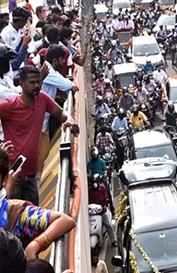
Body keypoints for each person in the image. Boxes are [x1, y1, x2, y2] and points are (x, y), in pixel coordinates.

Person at [0, 65, 77, 204]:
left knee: (33, 217)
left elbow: (60, 113)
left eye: (38, 82)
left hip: (31, 174)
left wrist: (69, 120)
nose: (36, 85)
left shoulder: (42, 99)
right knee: (12, 219)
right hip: (13, 175)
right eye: (32, 82)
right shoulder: (9, 106)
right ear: (22, 84)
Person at [88, 173, 117, 248]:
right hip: (92, 213)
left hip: (101, 211)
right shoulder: (89, 191)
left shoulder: (102, 188)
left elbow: (106, 198)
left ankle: (113, 240)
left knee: (108, 224)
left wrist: (104, 204)